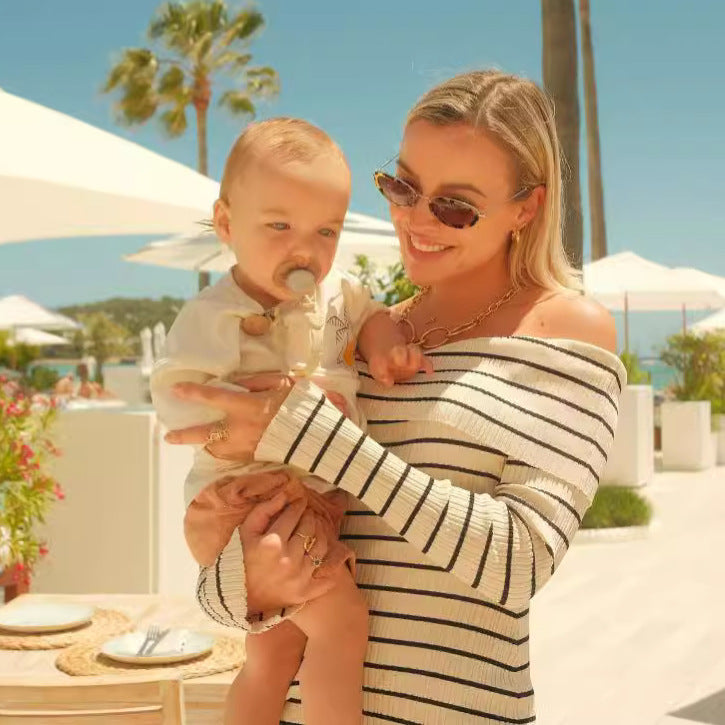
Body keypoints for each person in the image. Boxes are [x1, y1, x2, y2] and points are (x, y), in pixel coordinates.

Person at [165, 70, 626, 724]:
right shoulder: (363, 330)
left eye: (455, 205)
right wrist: (240, 585)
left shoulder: (566, 330)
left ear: (526, 207)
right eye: (401, 186)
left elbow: (518, 563)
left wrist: (311, 434)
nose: (414, 218)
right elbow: (249, 585)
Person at [151, 118, 429, 725]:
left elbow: (371, 314)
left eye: (325, 230)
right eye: (279, 226)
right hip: (252, 502)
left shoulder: (337, 297)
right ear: (226, 224)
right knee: (342, 624)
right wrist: (254, 421)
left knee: (273, 646)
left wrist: (385, 347)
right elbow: (177, 397)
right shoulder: (215, 315)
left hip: (304, 498)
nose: (304, 249)